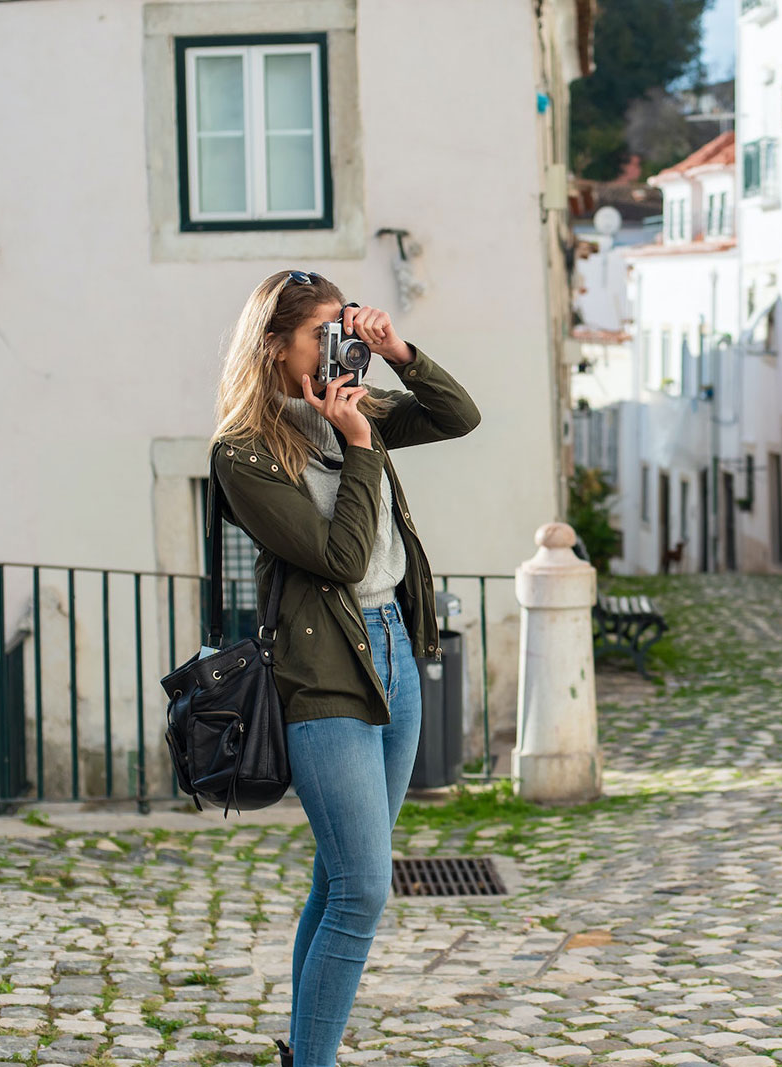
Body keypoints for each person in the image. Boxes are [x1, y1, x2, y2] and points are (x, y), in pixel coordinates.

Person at [210, 271, 480, 1067]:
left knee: (337, 881)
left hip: (394, 648)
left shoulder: (356, 401)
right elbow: (341, 554)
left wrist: (399, 351)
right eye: (325, 334)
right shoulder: (246, 452)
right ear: (275, 344)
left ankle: (304, 1050)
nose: (343, 351)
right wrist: (360, 447)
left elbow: (459, 416)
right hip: (322, 671)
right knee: (364, 887)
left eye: (347, 332)